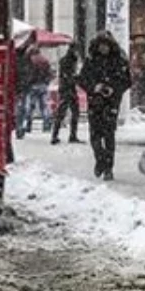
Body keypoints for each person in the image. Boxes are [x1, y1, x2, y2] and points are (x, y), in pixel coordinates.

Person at [77, 31, 131, 181]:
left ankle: (108, 167)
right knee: (95, 135)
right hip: (95, 101)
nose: (103, 48)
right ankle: (100, 159)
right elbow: (81, 79)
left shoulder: (119, 60)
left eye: (106, 45)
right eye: (101, 45)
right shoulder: (91, 60)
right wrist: (95, 87)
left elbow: (127, 81)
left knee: (109, 135)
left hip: (111, 102)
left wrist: (113, 88)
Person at [51, 43, 83, 145]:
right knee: (65, 112)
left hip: (67, 88)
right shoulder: (68, 60)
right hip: (67, 89)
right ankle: (58, 136)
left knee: (68, 112)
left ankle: (59, 135)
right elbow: (67, 76)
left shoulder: (69, 59)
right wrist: (75, 79)